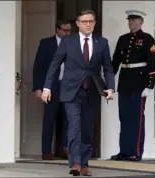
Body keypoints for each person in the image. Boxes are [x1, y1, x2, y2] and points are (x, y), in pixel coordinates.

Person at [41, 9, 115, 176]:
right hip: (71, 91)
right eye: (84, 21)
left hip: (92, 91)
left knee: (88, 130)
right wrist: (47, 88)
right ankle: (75, 163)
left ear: (94, 23)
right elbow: (54, 65)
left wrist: (110, 88)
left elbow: (108, 68)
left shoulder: (101, 42)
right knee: (74, 127)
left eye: (91, 21)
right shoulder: (67, 42)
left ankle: (84, 162)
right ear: (78, 24)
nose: (88, 24)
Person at [110, 10, 155, 162]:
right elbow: (116, 61)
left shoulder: (147, 39)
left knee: (137, 119)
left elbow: (153, 64)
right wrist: (108, 81)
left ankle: (136, 152)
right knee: (124, 117)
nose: (131, 23)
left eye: (134, 20)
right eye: (129, 20)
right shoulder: (123, 39)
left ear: (141, 22)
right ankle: (124, 151)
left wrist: (150, 86)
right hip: (124, 82)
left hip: (139, 83)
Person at [32, 20, 71, 160]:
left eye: (69, 31)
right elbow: (38, 66)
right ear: (57, 30)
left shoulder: (73, 43)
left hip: (67, 86)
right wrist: (38, 88)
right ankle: (46, 151)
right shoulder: (46, 43)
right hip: (51, 86)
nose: (67, 33)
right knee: (49, 118)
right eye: (65, 30)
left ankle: (64, 149)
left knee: (68, 118)